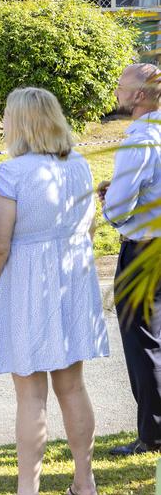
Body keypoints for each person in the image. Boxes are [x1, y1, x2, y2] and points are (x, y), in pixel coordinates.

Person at [0, 87, 109, 495]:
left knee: (31, 394)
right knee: (73, 384)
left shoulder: (11, 174)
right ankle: (84, 481)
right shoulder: (81, 166)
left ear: (19, 123)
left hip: (29, 283)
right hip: (72, 276)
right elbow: (88, 230)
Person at [100, 62, 161, 456]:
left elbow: (120, 203)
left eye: (122, 86)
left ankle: (153, 435)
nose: (117, 91)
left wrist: (111, 207)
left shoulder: (139, 138)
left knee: (143, 340)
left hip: (144, 249)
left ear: (139, 95)